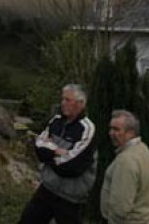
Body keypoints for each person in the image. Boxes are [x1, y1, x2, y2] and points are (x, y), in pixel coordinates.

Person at [18, 84, 97, 224]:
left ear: (81, 103)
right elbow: (38, 147)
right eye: (62, 99)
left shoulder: (87, 128)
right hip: (48, 187)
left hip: (70, 196)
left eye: (68, 100)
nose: (63, 103)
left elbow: (74, 166)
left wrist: (49, 153)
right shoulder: (56, 121)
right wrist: (56, 151)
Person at [100, 110, 149, 224]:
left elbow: (120, 207)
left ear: (130, 133)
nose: (111, 133)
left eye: (116, 129)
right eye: (111, 128)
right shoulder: (143, 149)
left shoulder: (126, 161)